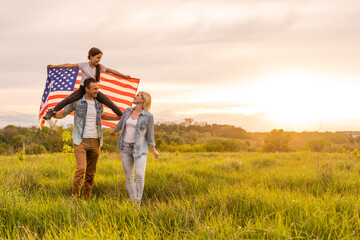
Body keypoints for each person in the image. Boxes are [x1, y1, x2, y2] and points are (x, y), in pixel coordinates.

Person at [53, 78, 120, 199]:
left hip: (95, 140)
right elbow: (63, 113)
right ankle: (74, 198)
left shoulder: (98, 103)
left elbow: (102, 115)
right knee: (81, 170)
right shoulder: (77, 102)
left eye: (98, 88)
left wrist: (116, 118)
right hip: (80, 140)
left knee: (90, 173)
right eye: (95, 89)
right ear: (86, 89)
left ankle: (86, 198)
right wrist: (52, 114)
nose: (97, 91)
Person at [43, 47, 131, 120]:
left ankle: (122, 115)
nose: (98, 60)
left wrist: (124, 76)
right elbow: (69, 65)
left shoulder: (99, 67)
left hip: (93, 90)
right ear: (91, 56)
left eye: (100, 58)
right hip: (83, 89)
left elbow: (112, 71)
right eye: (97, 57)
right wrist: (54, 66)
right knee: (69, 99)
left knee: (108, 102)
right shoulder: (83, 65)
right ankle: (51, 112)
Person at [111, 91, 159, 207]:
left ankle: (138, 202)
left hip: (140, 148)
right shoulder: (127, 111)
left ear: (143, 100)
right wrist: (114, 131)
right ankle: (134, 204)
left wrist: (153, 149)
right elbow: (121, 123)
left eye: (138, 95)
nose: (135, 96)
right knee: (129, 177)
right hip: (125, 147)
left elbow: (150, 135)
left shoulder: (148, 116)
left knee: (140, 175)